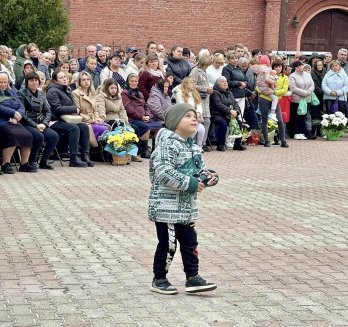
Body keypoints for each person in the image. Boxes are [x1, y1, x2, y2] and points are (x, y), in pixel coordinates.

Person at [148, 103, 218, 295]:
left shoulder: (193, 147)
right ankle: (159, 278)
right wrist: (191, 183)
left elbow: (198, 170)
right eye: (188, 116)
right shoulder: (167, 145)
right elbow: (164, 172)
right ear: (174, 122)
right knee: (168, 244)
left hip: (186, 207)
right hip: (166, 206)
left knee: (190, 242)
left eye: (195, 116)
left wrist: (207, 177)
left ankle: (193, 278)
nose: (194, 119)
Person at [46, 70, 93, 167]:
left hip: (66, 119)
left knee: (83, 127)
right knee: (74, 128)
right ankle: (73, 158)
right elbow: (57, 108)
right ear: (55, 80)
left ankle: (85, 155)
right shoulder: (52, 91)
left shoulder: (66, 89)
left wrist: (73, 110)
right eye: (61, 78)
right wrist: (74, 109)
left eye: (65, 77)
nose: (64, 79)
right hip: (54, 121)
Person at [17, 72, 59, 170]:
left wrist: (44, 123)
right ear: (27, 82)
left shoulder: (40, 94)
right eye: (31, 80)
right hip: (27, 123)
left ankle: (43, 161)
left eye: (36, 80)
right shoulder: (21, 94)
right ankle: (31, 161)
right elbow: (22, 113)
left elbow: (48, 111)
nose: (34, 83)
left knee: (53, 136)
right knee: (39, 136)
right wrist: (36, 125)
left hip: (40, 122)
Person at [0, 72, 36, 174]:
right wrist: (13, 113)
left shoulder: (12, 92)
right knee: (12, 135)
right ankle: (5, 164)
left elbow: (21, 106)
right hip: (2, 121)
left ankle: (24, 164)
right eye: (0, 82)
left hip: (15, 121)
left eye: (5, 82)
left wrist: (18, 115)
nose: (2, 84)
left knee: (28, 135)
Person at [121, 73, 162, 158]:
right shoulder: (124, 93)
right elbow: (129, 109)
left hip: (144, 117)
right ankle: (143, 150)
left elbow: (146, 106)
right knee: (145, 128)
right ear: (128, 82)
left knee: (159, 126)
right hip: (132, 118)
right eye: (132, 81)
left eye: (136, 81)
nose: (134, 83)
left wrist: (147, 115)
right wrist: (141, 117)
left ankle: (154, 149)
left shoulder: (140, 93)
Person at [257, 59, 289, 147]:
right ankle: (266, 140)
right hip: (264, 98)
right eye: (276, 67)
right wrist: (262, 92)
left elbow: (284, 90)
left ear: (282, 67)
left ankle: (283, 140)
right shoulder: (266, 74)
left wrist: (274, 92)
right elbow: (258, 85)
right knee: (264, 120)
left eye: (280, 66)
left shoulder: (285, 77)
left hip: (275, 100)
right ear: (272, 67)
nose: (278, 68)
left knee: (280, 120)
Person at [210, 76, 246, 151]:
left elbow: (235, 103)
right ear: (217, 84)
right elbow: (218, 105)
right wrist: (230, 111)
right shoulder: (215, 93)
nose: (225, 83)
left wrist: (236, 111)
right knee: (223, 123)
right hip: (217, 114)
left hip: (228, 114)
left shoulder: (229, 92)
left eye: (226, 81)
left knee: (239, 122)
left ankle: (237, 144)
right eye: (222, 82)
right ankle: (220, 144)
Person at [72, 71, 108, 147]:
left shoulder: (93, 93)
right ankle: (97, 151)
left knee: (109, 127)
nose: (86, 82)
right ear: (79, 82)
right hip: (84, 121)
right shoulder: (75, 93)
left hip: (94, 119)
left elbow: (96, 110)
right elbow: (77, 112)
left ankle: (106, 154)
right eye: (83, 80)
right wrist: (92, 120)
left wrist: (98, 118)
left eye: (88, 79)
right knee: (103, 129)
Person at [171, 77, 205, 149]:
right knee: (194, 129)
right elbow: (182, 106)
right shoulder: (179, 93)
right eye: (191, 83)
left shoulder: (194, 92)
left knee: (201, 129)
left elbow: (199, 104)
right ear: (186, 84)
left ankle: (199, 146)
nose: (193, 85)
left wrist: (198, 113)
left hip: (194, 115)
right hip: (183, 115)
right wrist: (194, 115)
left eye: (194, 83)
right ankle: (186, 144)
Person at [190, 55, 213, 152]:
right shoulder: (195, 71)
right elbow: (192, 84)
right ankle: (196, 142)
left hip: (205, 99)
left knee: (207, 120)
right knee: (200, 120)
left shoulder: (204, 71)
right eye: (206, 65)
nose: (207, 67)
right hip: (198, 98)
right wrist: (205, 89)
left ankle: (202, 143)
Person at [289, 60, 315, 140]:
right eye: (297, 67)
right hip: (297, 99)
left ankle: (301, 132)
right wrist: (304, 92)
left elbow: (312, 84)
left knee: (304, 116)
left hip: (307, 99)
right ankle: (295, 132)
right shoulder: (292, 76)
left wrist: (309, 91)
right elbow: (293, 88)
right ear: (295, 68)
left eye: (300, 66)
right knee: (296, 116)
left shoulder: (308, 75)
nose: (299, 68)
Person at [222, 51, 250, 116]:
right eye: (232, 59)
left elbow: (245, 79)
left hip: (242, 95)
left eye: (236, 58)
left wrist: (244, 84)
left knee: (241, 115)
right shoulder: (226, 69)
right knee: (235, 116)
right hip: (233, 95)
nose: (235, 60)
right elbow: (227, 82)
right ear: (228, 60)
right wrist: (239, 83)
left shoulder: (239, 68)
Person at [311, 59, 326, 135]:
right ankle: (313, 132)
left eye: (321, 65)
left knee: (321, 114)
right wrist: (323, 93)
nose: (319, 66)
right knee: (314, 114)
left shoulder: (325, 72)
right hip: (316, 96)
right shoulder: (312, 73)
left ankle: (320, 132)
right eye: (318, 65)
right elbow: (314, 86)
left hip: (323, 97)